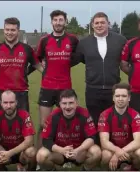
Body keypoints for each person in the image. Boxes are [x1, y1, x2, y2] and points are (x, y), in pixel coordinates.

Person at [32, 10, 80, 150]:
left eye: (61, 20)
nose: (58, 23)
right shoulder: (44, 40)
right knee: (43, 124)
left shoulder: (73, 39)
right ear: (51, 22)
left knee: (67, 124)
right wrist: (44, 68)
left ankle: (67, 156)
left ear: (65, 22)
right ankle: (38, 157)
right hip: (47, 87)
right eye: (55, 20)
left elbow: (78, 56)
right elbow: (37, 58)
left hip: (65, 89)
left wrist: (66, 64)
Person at [73, 12, 128, 127]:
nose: (99, 25)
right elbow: (79, 59)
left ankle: (112, 144)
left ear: (108, 24)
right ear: (92, 25)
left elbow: (127, 58)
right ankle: (97, 144)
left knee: (114, 122)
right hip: (93, 90)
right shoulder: (84, 43)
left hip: (113, 89)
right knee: (95, 122)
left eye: (102, 22)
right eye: (96, 23)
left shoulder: (120, 40)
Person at [0, 17, 44, 111]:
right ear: (4, 30)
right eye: (7, 29)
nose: (9, 33)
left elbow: (39, 66)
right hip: (2, 93)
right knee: (1, 124)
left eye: (13, 30)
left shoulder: (27, 49)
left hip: (21, 93)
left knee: (22, 124)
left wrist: (51, 74)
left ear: (18, 30)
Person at [36, 89, 101, 171]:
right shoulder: (54, 116)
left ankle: (85, 169)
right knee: (41, 155)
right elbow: (46, 140)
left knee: (96, 152)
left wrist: (78, 150)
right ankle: (52, 170)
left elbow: (92, 137)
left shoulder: (84, 114)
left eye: (71, 103)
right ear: (59, 104)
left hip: (79, 152)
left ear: (77, 103)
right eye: (64, 103)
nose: (67, 107)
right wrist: (62, 150)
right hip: (60, 153)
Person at [0, 90, 37, 171]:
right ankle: (1, 169)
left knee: (32, 152)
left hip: (21, 152)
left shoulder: (24, 115)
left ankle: (28, 169)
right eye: (5, 102)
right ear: (1, 103)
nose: (8, 106)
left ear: (16, 102)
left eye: (11, 102)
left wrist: (10, 153)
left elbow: (29, 141)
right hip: (3, 151)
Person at [98, 83, 140, 171]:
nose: (120, 99)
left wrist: (120, 152)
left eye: (124, 96)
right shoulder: (105, 115)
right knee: (105, 155)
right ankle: (111, 169)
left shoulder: (135, 114)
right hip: (112, 149)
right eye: (117, 96)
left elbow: (139, 141)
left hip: (130, 150)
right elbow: (104, 141)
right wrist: (117, 151)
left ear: (129, 98)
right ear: (113, 98)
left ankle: (133, 169)